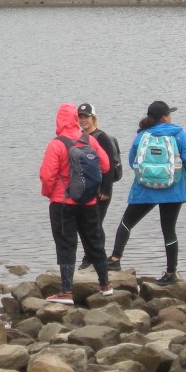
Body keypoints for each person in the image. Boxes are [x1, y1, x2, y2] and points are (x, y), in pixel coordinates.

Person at [107, 100, 186, 286]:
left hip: (145, 189)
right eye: (169, 114)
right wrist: (178, 174)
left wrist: (149, 175)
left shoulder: (143, 136)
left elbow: (133, 161)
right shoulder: (178, 134)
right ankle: (171, 273)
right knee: (169, 230)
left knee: (127, 222)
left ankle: (115, 259)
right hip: (173, 190)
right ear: (165, 117)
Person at [39, 103, 115, 303]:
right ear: (75, 119)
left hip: (62, 203)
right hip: (89, 201)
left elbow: (47, 176)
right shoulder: (89, 140)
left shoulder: (56, 144)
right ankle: (105, 285)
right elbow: (106, 166)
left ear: (58, 121)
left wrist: (49, 194)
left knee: (66, 244)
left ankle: (66, 291)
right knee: (94, 241)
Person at [75, 102, 119, 270]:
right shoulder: (78, 137)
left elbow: (107, 165)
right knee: (84, 223)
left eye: (86, 116)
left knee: (95, 223)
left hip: (101, 189)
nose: (84, 120)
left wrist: (105, 189)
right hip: (84, 188)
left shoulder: (102, 138)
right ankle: (90, 256)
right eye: (80, 116)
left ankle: (94, 257)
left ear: (93, 118)